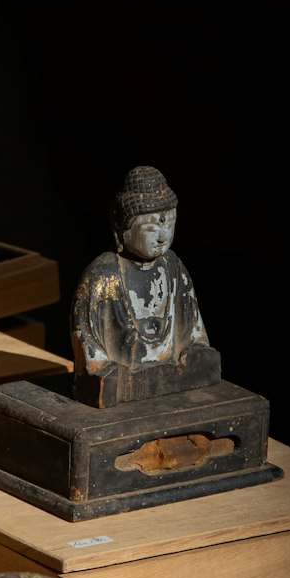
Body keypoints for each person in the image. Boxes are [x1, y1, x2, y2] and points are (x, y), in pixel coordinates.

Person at [71, 165, 220, 405]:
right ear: (122, 228)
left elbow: (193, 326)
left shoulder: (173, 267)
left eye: (169, 224)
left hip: (172, 378)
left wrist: (194, 349)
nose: (162, 236)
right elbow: (86, 337)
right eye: (151, 227)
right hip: (125, 378)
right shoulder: (104, 274)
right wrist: (98, 363)